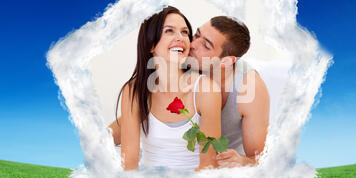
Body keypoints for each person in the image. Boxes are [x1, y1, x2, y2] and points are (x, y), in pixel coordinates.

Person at [111, 14, 270, 168]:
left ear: (225, 61)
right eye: (196, 35)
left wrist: (244, 163)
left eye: (206, 45)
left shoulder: (249, 88)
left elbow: (259, 159)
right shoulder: (183, 63)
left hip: (222, 168)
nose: (192, 44)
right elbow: (136, 116)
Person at [116, 6, 221, 171]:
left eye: (185, 32)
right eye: (169, 31)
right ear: (150, 44)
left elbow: (209, 164)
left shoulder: (206, 89)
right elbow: (129, 162)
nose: (180, 37)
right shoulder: (133, 90)